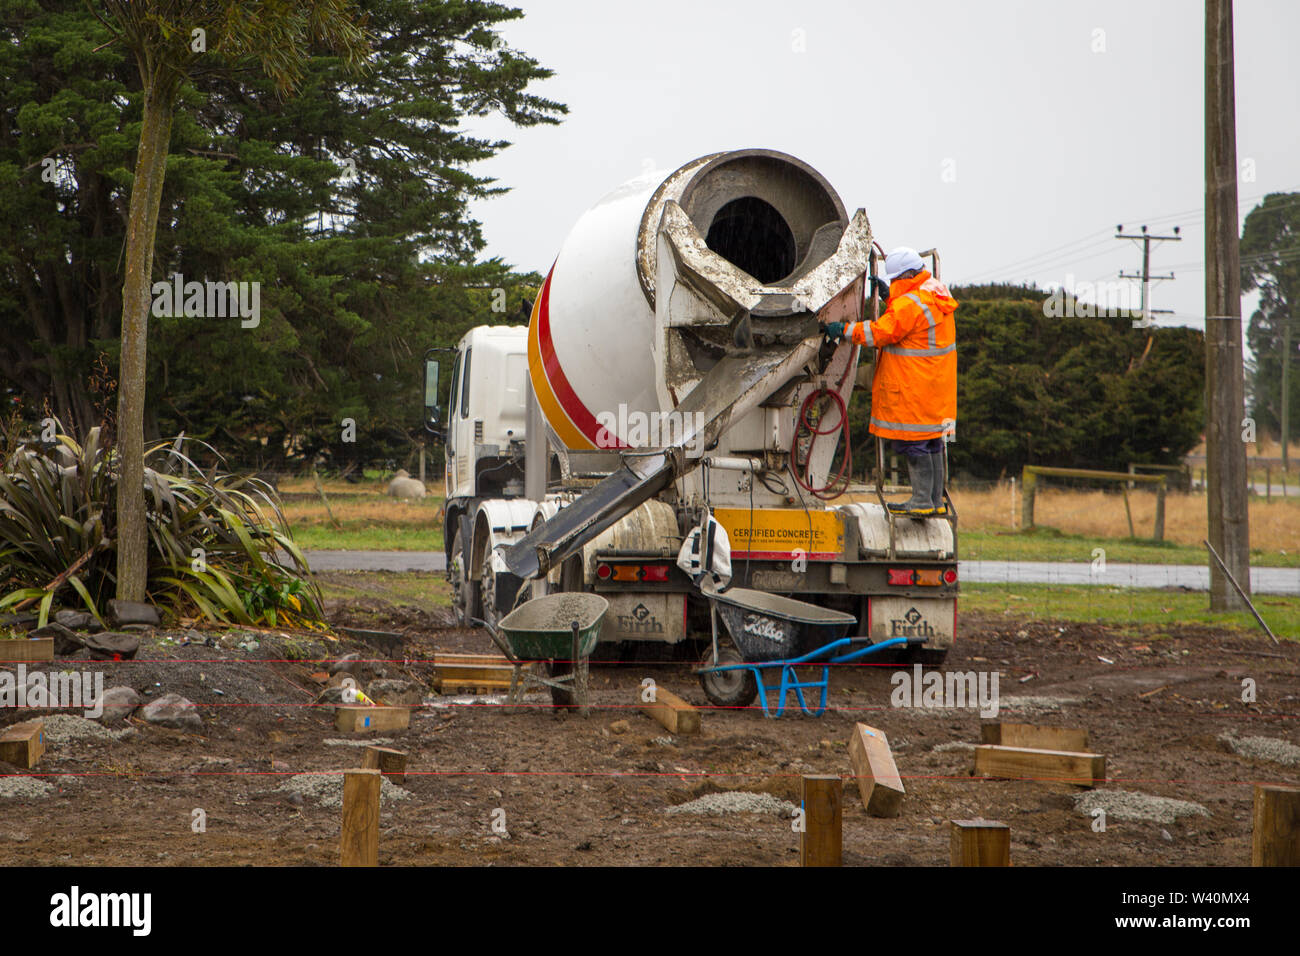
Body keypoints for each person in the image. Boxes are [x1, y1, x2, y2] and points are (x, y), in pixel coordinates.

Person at [822, 247, 957, 516]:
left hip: (913, 387)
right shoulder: (936, 292)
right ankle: (934, 502)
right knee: (932, 442)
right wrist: (888, 297)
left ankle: (921, 503)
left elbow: (882, 332)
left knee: (914, 443)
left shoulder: (910, 303)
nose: (893, 285)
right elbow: (910, 323)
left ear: (906, 276)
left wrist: (845, 331)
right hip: (935, 387)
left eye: (895, 281)